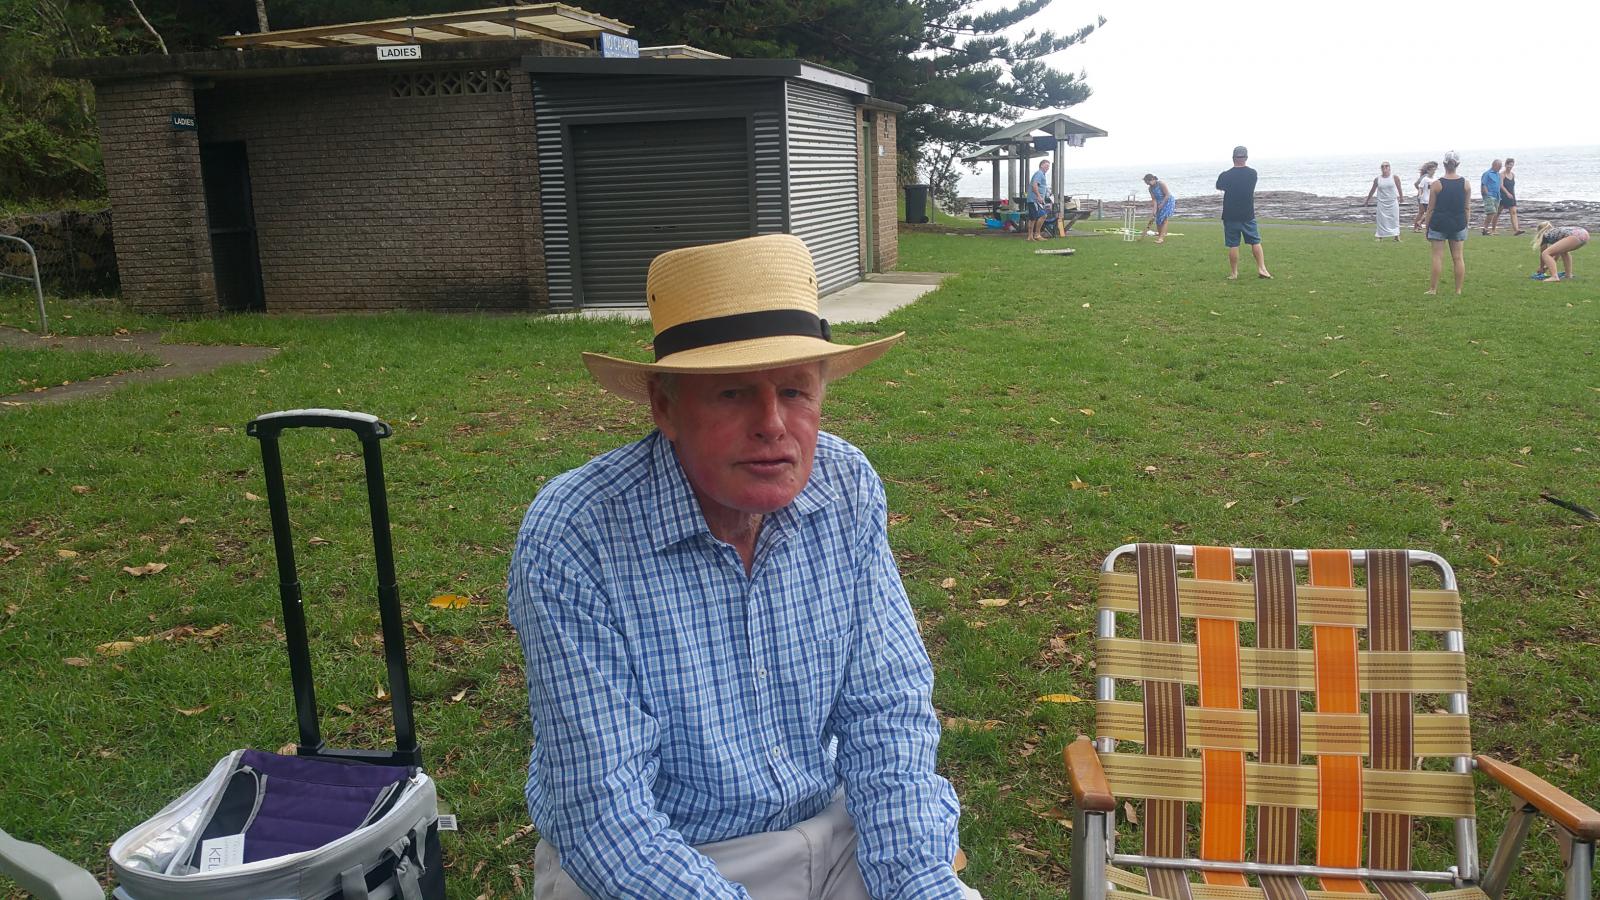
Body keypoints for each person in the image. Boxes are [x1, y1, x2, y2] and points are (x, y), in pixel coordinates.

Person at [508, 233, 981, 900]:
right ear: (665, 406)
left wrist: (917, 882)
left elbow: (887, 711)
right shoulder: (578, 534)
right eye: (732, 394)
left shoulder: (845, 484)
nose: (773, 424)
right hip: (661, 860)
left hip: (834, 829)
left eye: (794, 390)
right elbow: (604, 817)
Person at [1215, 145, 1272, 279]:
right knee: (1255, 241)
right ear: (1246, 157)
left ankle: (1234, 273)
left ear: (1233, 158)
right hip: (1248, 214)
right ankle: (1262, 268)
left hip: (1230, 214)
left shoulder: (1225, 175)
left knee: (1233, 244)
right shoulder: (1252, 173)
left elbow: (1219, 186)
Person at [1421, 150, 1471, 295]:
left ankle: (1433, 289)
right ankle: (1458, 290)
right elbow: (1467, 208)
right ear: (1458, 164)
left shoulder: (1437, 184)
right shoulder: (1465, 184)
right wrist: (1465, 224)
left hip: (1439, 224)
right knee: (1458, 257)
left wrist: (1427, 227)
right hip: (1458, 223)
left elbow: (1430, 209)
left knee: (1437, 257)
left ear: (1444, 164)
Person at [1363, 161, 1404, 241]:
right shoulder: (1377, 179)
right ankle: (1380, 236)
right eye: (1382, 166)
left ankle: (1396, 236)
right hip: (1382, 202)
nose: (1384, 168)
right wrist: (1367, 200)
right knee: (1381, 220)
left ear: (1389, 168)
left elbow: (1399, 188)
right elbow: (1372, 190)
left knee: (1394, 219)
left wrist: (1401, 197)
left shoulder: (1395, 177)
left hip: (1392, 202)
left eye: (1386, 166)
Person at [1143, 173, 1176, 243]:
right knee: (1158, 220)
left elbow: (1167, 194)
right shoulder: (1150, 188)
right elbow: (1154, 199)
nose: (1147, 184)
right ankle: (1160, 235)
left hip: (1168, 201)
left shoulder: (1161, 184)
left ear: (1152, 179)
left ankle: (1161, 238)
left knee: (1164, 219)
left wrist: (1162, 203)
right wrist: (1154, 210)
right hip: (1159, 202)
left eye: (1148, 182)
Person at [1027, 159, 1052, 241]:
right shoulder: (1039, 173)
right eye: (1046, 165)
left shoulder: (1042, 175)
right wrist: (1038, 196)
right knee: (1037, 217)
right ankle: (1035, 235)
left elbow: (1041, 186)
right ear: (1041, 165)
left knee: (1036, 217)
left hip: (1036, 200)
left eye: (1048, 166)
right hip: (1034, 199)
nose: (1047, 168)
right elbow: (1034, 185)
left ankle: (1032, 236)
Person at [1501, 157, 1524, 235]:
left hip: (1511, 195)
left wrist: (1513, 195)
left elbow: (1512, 186)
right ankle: (1492, 229)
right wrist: (1507, 193)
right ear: (1505, 165)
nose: (1510, 166)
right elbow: (1501, 185)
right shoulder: (1502, 174)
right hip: (1503, 195)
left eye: (1511, 165)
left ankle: (1516, 230)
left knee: (1513, 212)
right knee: (1498, 213)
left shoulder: (1513, 174)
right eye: (1509, 165)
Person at [1413, 161, 1438, 232]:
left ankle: (1419, 225)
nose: (1435, 170)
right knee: (1424, 212)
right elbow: (1417, 184)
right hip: (1424, 198)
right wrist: (1421, 193)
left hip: (1429, 197)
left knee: (1425, 212)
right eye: (1434, 168)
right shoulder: (1425, 177)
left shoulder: (1434, 178)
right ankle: (1417, 225)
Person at [1480, 158, 1503, 235]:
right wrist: (1487, 194)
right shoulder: (1487, 174)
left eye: (1501, 166)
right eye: (1499, 166)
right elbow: (1483, 184)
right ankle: (1485, 228)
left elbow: (1498, 185)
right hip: (1489, 196)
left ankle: (1488, 229)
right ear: (1494, 165)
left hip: (1497, 196)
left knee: (1494, 213)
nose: (1500, 168)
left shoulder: (1498, 174)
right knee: (1491, 212)